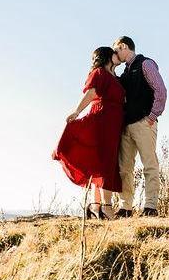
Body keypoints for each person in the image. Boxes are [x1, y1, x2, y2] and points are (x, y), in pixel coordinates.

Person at [52, 46, 125, 219]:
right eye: (114, 53)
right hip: (102, 121)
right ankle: (106, 207)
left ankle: (94, 206)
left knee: (102, 163)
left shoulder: (114, 77)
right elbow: (91, 93)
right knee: (106, 162)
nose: (117, 55)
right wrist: (77, 111)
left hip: (113, 123)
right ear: (107, 56)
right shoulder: (99, 73)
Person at [112, 36, 167, 217]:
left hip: (144, 123)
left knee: (149, 165)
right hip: (126, 126)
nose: (116, 54)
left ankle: (150, 207)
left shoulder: (146, 64)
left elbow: (160, 90)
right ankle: (125, 207)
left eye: (116, 50)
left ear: (124, 46)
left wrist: (152, 115)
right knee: (124, 168)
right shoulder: (125, 73)